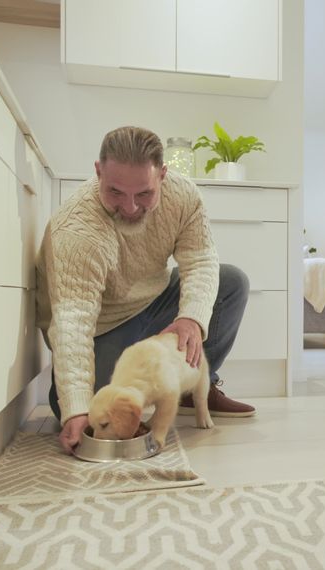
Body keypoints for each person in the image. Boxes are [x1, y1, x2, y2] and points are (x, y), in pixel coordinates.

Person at [36, 126, 256, 454]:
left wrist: (192, 318)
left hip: (153, 299)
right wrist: (77, 409)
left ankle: (195, 386)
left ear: (163, 175)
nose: (129, 207)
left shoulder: (183, 196)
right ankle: (74, 400)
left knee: (232, 282)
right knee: (95, 408)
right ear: (98, 172)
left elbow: (200, 259)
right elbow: (73, 322)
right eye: (115, 192)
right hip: (103, 326)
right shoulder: (77, 229)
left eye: (143, 194)